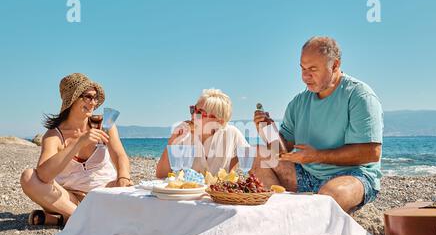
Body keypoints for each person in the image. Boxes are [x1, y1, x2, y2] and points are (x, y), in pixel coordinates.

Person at [252, 36, 383, 213]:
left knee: (328, 197)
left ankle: (302, 217)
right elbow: (282, 151)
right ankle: (279, 215)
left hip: (353, 175)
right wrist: (267, 130)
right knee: (260, 155)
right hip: (307, 175)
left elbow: (371, 153)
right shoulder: (298, 102)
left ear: (335, 65)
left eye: (313, 69)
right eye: (303, 69)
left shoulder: (359, 96)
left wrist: (317, 156)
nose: (305, 76)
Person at [20, 73, 133, 226]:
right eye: (88, 97)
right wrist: (79, 143)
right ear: (72, 99)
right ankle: (85, 220)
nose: (93, 103)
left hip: (106, 192)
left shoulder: (104, 124)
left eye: (95, 98)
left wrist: (123, 179)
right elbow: (44, 176)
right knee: (28, 177)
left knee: (136, 191)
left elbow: (120, 155)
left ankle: (63, 218)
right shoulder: (54, 135)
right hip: (70, 198)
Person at [156, 88, 249, 178]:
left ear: (219, 121)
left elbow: (249, 158)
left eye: (200, 112)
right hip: (189, 192)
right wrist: (171, 142)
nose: (193, 115)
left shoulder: (231, 133)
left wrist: (231, 169)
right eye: (193, 109)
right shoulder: (184, 136)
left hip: (218, 193)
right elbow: (161, 175)